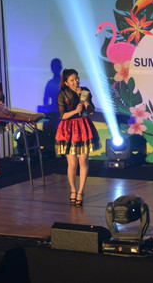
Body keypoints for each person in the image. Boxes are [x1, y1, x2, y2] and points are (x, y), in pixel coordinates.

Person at [55, 68, 100, 206]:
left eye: (77, 78)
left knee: (83, 161)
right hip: (68, 128)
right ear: (66, 83)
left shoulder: (85, 91)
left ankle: (80, 191)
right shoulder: (62, 94)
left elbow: (91, 111)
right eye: (72, 80)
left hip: (83, 126)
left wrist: (84, 100)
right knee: (72, 163)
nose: (76, 82)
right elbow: (62, 115)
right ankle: (73, 190)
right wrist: (75, 111)